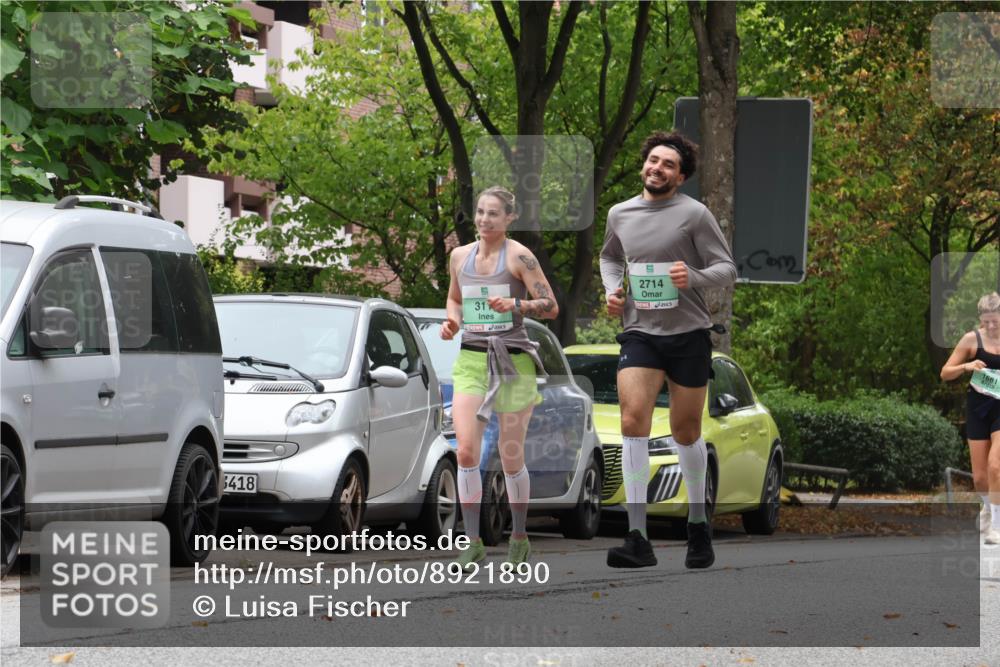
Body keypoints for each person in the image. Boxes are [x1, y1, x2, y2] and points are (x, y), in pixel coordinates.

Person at [599, 131, 737, 568]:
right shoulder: (620, 213)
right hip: (640, 331)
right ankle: (637, 536)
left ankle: (698, 525)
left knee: (685, 431)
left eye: (668, 165)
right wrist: (612, 290)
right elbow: (609, 257)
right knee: (631, 420)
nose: (657, 168)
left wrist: (692, 278)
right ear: (644, 164)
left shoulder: (694, 215)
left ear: (680, 176)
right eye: (652, 161)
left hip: (688, 334)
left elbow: (727, 269)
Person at [441, 186, 559, 569]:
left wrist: (516, 303)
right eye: (479, 212)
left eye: (493, 214)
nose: (484, 220)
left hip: (513, 362)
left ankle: (520, 536)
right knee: (465, 452)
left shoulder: (520, 256)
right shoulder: (460, 255)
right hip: (472, 361)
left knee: (510, 456)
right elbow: (455, 298)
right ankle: (472, 540)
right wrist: (452, 322)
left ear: (509, 218)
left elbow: (551, 306)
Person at [940, 292, 1000, 545]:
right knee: (979, 477)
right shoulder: (971, 340)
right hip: (978, 407)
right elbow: (945, 373)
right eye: (986, 321)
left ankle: (996, 525)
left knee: (996, 465)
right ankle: (987, 507)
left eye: (995, 321)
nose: (990, 326)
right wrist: (967, 366)